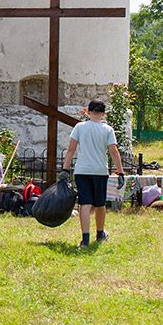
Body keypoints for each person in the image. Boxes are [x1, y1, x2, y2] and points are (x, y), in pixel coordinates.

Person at [61, 99, 125, 249]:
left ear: (87, 112)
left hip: (82, 170)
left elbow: (71, 149)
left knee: (85, 203)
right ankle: (100, 233)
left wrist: (65, 169)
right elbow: (114, 152)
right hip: (100, 171)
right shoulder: (107, 129)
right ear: (103, 113)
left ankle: (85, 239)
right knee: (100, 203)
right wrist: (120, 171)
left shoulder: (79, 127)